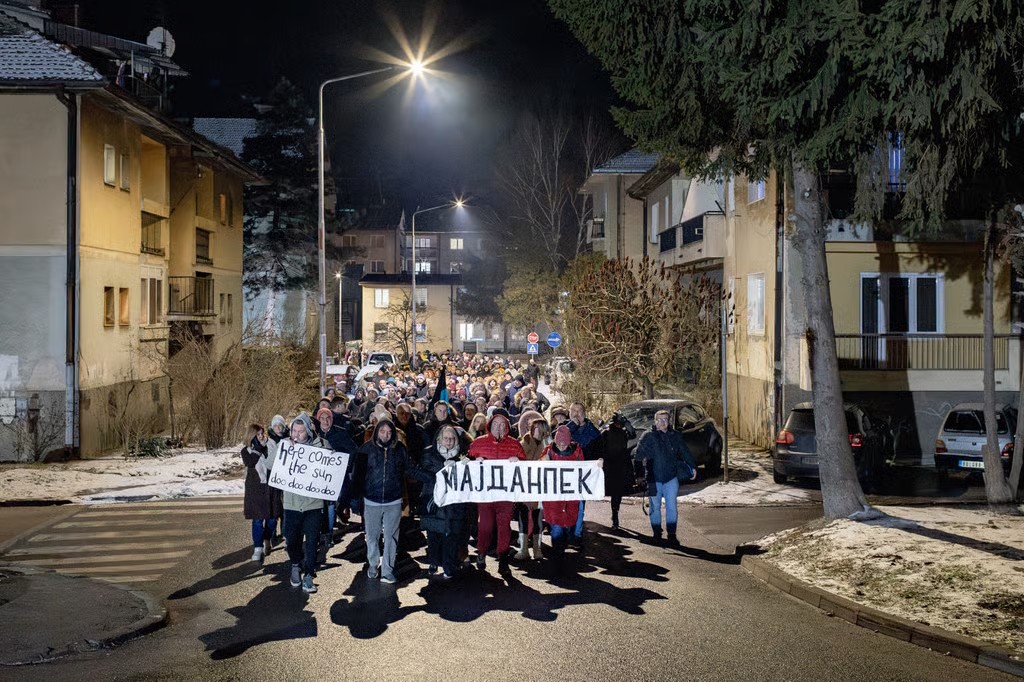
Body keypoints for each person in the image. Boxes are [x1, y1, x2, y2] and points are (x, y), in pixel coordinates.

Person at [269, 413, 327, 594]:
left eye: (301, 431)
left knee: (311, 542)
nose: (297, 434)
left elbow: (331, 468)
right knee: (292, 540)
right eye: (294, 430)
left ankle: (309, 574)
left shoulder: (321, 446)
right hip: (292, 504)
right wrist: (282, 448)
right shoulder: (285, 445)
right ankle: (295, 564)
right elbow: (269, 464)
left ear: (308, 432)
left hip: (313, 504)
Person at [354, 416, 412, 584]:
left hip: (393, 500)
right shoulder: (366, 450)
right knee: (372, 537)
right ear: (377, 432)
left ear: (393, 433)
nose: (386, 435)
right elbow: (358, 476)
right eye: (382, 431)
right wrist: (351, 499)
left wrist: (432, 477)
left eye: (389, 432)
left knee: (391, 537)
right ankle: (373, 563)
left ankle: (387, 570)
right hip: (371, 500)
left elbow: (411, 469)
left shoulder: (399, 449)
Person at [467, 408, 525, 573]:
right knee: (485, 526)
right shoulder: (479, 442)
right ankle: (482, 552)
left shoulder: (514, 444)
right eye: (496, 423)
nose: (499, 427)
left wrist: (518, 461)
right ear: (490, 424)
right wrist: (474, 460)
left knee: (504, 527)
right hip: (485, 495)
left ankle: (503, 560)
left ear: (506, 426)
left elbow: (526, 469)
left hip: (505, 495)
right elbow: (467, 461)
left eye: (502, 424)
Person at [411, 424, 468, 579]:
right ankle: (434, 562)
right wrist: (442, 468)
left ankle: (449, 567)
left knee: (452, 536)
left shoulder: (463, 456)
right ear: (439, 439)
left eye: (452, 438)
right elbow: (424, 471)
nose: (449, 441)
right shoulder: (429, 453)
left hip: (455, 504)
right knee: (434, 534)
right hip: (433, 502)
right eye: (446, 438)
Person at [634, 409, 697, 544]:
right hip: (652, 478)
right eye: (660, 420)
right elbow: (638, 457)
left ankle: (672, 534)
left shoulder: (675, 435)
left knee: (672, 506)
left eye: (666, 420)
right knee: (654, 507)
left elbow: (684, 451)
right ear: (655, 421)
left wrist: (692, 466)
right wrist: (639, 476)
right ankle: (657, 533)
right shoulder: (648, 436)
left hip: (671, 477)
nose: (664, 422)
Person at [541, 425, 584, 563]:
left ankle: (561, 550)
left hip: (570, 497)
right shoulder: (548, 451)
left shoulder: (576, 451)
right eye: (559, 444)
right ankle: (558, 556)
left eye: (564, 444)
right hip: (553, 498)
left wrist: (597, 465)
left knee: (568, 525)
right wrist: (542, 462)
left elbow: (585, 469)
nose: (561, 447)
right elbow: (537, 468)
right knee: (557, 528)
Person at [240, 423, 280, 561]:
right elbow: (250, 463)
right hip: (255, 488)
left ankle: (267, 539)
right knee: (258, 519)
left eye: (262, 433)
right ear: (251, 436)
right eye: (258, 434)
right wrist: (258, 448)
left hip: (271, 486)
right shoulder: (247, 451)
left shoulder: (271, 446)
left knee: (272, 519)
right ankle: (257, 547)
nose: (261, 436)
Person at [567, 402, 602, 544]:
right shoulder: (565, 427)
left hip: (584, 474)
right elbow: (553, 440)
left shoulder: (593, 431)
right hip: (567, 474)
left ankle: (576, 533)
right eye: (573, 411)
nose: (576, 414)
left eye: (579, 411)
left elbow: (599, 450)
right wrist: (571, 426)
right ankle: (567, 531)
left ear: (584, 413)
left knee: (580, 505)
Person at [516, 418, 550, 560]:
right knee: (523, 517)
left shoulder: (547, 446)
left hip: (538, 487)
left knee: (537, 518)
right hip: (523, 486)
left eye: (541, 428)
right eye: (536, 428)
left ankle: (537, 548)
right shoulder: (522, 444)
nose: (538, 431)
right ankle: (523, 549)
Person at [599, 413, 635, 529]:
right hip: (611, 465)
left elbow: (633, 434)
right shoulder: (606, 433)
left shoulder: (623, 432)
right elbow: (601, 448)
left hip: (620, 464)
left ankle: (615, 515)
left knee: (617, 493)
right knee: (614, 492)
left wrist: (627, 424)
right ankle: (615, 516)